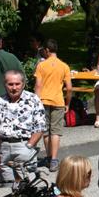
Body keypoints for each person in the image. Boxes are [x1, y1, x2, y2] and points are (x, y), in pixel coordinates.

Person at [0, 70, 46, 183]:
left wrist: (29, 146)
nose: (14, 88)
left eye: (17, 84)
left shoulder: (33, 100)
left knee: (28, 185)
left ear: (23, 84)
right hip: (4, 148)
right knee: (10, 186)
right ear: (5, 84)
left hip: (24, 145)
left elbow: (39, 127)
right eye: (10, 84)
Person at [34, 39, 72, 172]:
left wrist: (35, 101)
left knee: (45, 131)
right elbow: (69, 88)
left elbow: (38, 85)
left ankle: (49, 156)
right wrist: (67, 103)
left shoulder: (41, 65)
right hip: (58, 101)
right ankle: (55, 159)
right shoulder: (64, 66)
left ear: (47, 50)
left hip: (43, 101)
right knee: (55, 131)